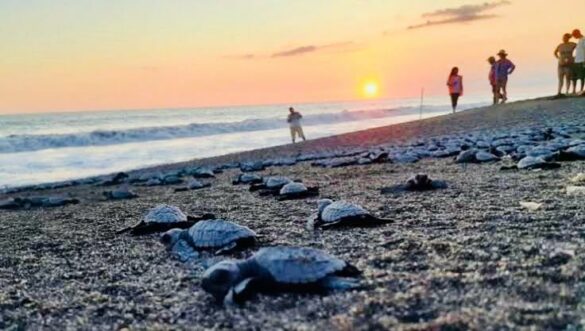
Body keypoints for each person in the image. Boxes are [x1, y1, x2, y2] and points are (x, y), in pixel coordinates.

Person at [572, 29, 585, 95]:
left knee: (582, 76)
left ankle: (582, 89)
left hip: (582, 60)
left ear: (577, 33)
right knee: (577, 76)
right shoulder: (579, 40)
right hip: (577, 61)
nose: (574, 37)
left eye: (574, 35)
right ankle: (577, 90)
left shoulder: (583, 40)